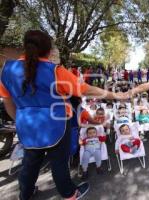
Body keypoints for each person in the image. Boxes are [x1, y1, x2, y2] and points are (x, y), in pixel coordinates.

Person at [0, 30, 126, 200]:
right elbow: (86, 90)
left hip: (26, 125)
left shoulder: (7, 69)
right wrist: (116, 95)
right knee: (59, 163)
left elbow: (8, 103)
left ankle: (26, 194)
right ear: (49, 50)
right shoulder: (55, 71)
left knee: (29, 163)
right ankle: (69, 193)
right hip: (56, 125)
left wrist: (20, 120)